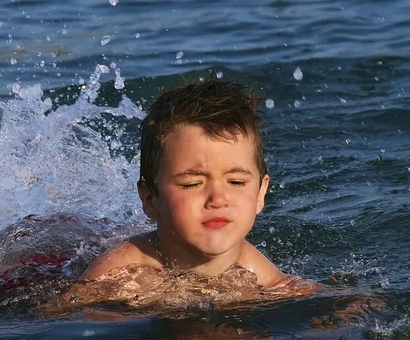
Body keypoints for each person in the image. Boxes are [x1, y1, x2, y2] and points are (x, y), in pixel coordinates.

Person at [80, 73, 311, 293]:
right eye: (191, 184)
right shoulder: (117, 274)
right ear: (150, 199)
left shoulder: (266, 280)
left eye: (237, 182)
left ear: (260, 193)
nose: (218, 199)